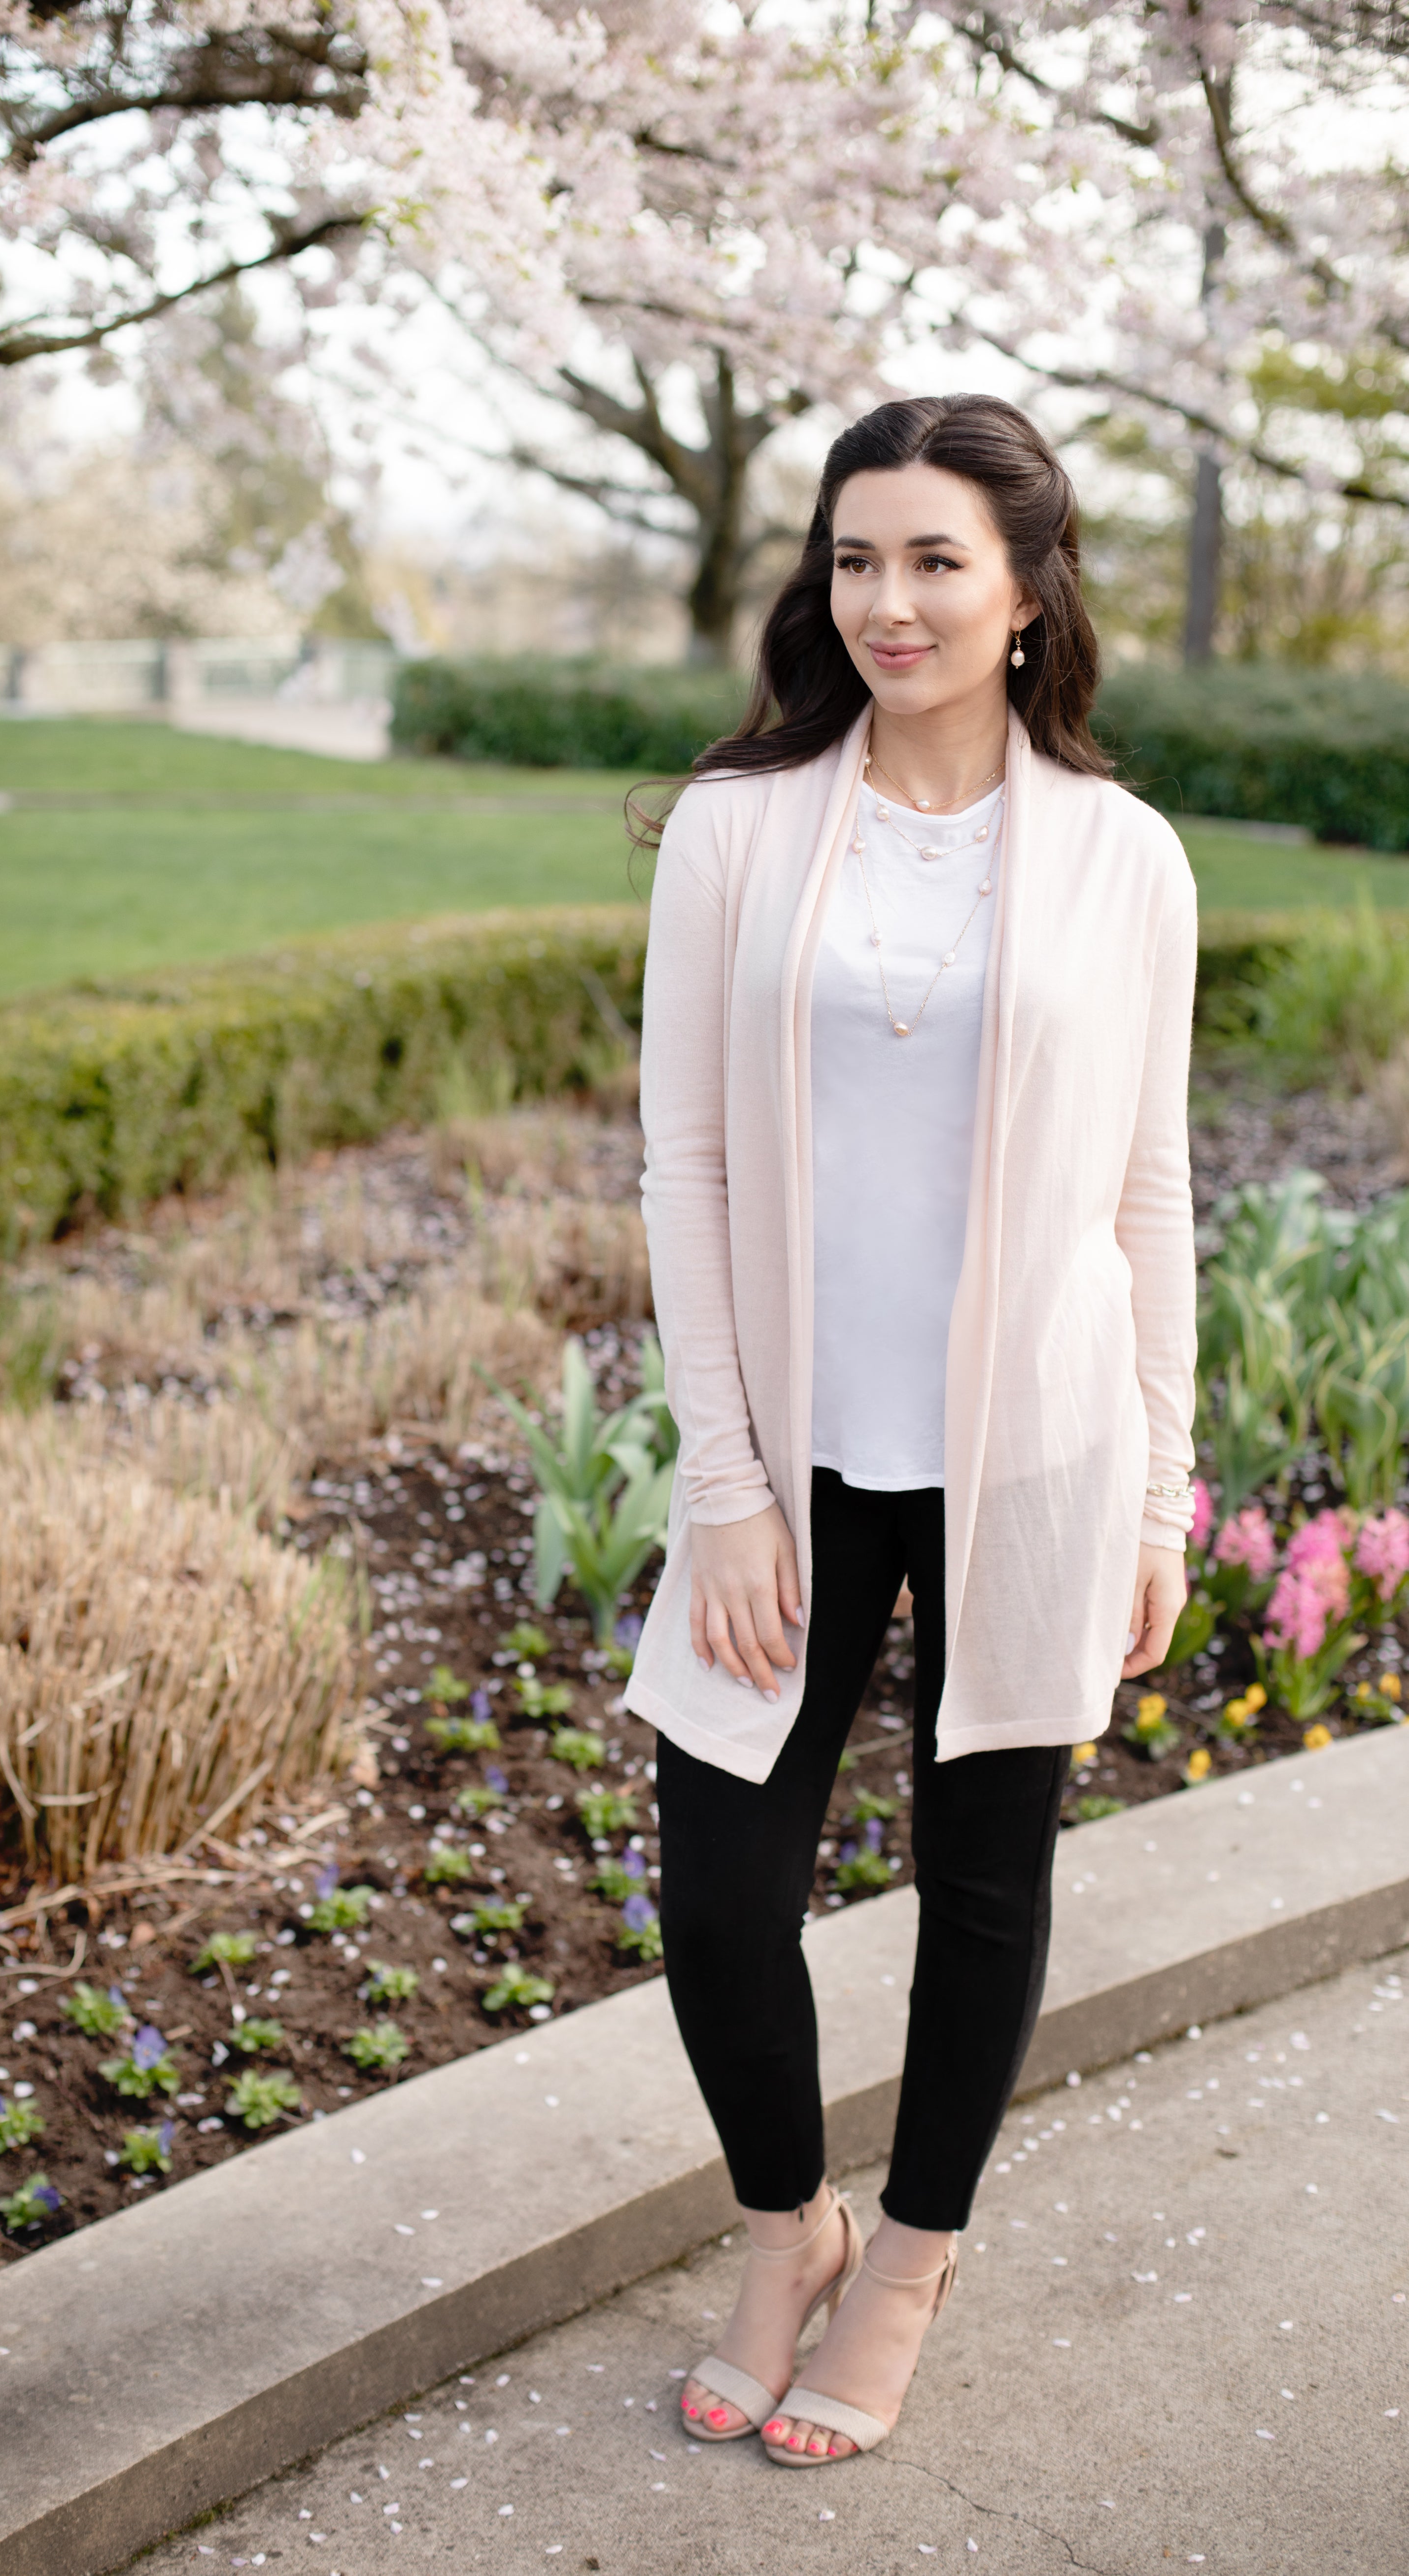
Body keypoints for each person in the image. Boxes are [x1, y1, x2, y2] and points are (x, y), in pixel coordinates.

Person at [620, 394, 1198, 2469]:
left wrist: (1167, 1476)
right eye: (855, 558)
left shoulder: (1123, 856)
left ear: (1030, 591)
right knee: (715, 1889)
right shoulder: (738, 826)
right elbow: (683, 1156)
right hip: (791, 1448)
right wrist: (722, 1479)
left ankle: (911, 2259)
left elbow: (1148, 1190)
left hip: (1037, 1445)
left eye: (936, 560)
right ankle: (784, 2224)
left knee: (983, 1875)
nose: (888, 600)